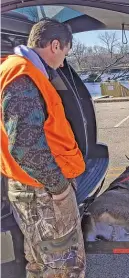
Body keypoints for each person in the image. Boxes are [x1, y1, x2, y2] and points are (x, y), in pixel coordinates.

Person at [1, 19, 86, 277]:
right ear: (55, 45)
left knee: (40, 262)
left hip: (30, 186)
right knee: (65, 266)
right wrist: (59, 188)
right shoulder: (24, 76)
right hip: (42, 192)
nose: (62, 63)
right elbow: (25, 146)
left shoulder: (14, 69)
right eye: (64, 54)